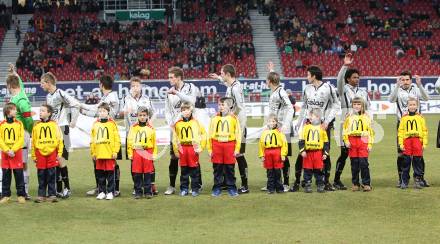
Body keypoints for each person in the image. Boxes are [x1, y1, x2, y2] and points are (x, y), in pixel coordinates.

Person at [291, 65, 341, 192]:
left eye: (308, 75)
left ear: (314, 76)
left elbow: (336, 105)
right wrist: (299, 121)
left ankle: (326, 182)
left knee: (325, 153)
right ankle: (297, 182)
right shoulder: (307, 89)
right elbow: (303, 106)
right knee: (302, 153)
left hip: (322, 125)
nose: (307, 77)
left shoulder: (329, 88)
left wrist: (327, 121)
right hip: (308, 124)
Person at [209, 64, 249, 194]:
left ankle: (245, 185)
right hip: (234, 124)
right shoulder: (233, 85)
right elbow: (228, 86)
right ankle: (227, 182)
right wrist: (218, 79)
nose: (221, 75)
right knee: (231, 154)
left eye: (221, 73)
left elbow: (240, 106)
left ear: (227, 74)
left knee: (238, 154)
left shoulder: (235, 88)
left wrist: (232, 115)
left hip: (239, 125)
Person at [40, 72, 81, 198]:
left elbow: (76, 104)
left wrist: (73, 120)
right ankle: (58, 189)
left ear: (48, 83)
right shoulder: (48, 97)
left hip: (63, 129)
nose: (41, 85)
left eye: (42, 83)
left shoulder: (60, 93)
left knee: (60, 159)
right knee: (55, 160)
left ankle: (67, 188)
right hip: (53, 130)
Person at [333, 53, 370, 190]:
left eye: (358, 77)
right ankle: (337, 179)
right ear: (348, 79)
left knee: (362, 155)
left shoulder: (364, 92)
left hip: (361, 129)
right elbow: (338, 81)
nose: (357, 79)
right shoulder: (343, 90)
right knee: (344, 154)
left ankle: (362, 181)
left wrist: (369, 120)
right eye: (354, 77)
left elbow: (369, 108)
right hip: (345, 126)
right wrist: (345, 65)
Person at [80, 75, 122, 197]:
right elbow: (96, 111)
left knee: (112, 163)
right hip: (102, 133)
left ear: (102, 85)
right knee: (100, 162)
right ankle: (101, 187)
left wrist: (81, 107)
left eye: (99, 84)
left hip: (108, 133)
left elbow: (95, 110)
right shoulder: (108, 97)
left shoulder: (110, 97)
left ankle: (113, 188)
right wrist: (83, 111)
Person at [389, 71, 429, 187]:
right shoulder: (398, 90)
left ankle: (420, 178)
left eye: (407, 80)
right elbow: (391, 100)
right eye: (403, 80)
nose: (405, 82)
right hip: (402, 125)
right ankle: (401, 179)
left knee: (419, 153)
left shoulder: (416, 89)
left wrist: (420, 84)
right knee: (401, 153)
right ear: (401, 80)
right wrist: (396, 85)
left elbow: (426, 98)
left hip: (417, 125)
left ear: (411, 80)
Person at [164, 67, 200, 195]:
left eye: (172, 77)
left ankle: (197, 185)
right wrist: (170, 122)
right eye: (169, 77)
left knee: (194, 155)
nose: (169, 79)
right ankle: (172, 185)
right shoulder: (168, 92)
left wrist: (177, 93)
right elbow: (167, 110)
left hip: (190, 127)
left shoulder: (190, 87)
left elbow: (192, 101)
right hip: (176, 129)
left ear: (179, 78)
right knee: (174, 156)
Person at [120, 77, 156, 195]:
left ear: (141, 86)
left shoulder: (146, 99)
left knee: (149, 162)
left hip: (145, 136)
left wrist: (150, 124)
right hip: (131, 135)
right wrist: (125, 112)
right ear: (130, 87)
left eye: (137, 85)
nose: (135, 88)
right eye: (133, 86)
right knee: (133, 163)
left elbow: (154, 113)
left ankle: (151, 186)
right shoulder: (126, 99)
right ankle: (137, 187)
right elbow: (118, 114)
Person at [265, 62, 294, 192]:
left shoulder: (281, 92)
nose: (265, 81)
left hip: (282, 129)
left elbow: (290, 108)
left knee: (284, 155)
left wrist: (285, 125)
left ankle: (286, 183)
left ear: (270, 81)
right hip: (274, 128)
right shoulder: (276, 90)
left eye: (267, 80)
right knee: (273, 155)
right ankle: (274, 182)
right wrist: (272, 69)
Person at [5, 64, 34, 200]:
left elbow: (28, 118)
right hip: (12, 134)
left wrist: (29, 130)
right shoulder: (20, 91)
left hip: (21, 134)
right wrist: (14, 72)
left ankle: (25, 190)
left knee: (21, 162)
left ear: (10, 86)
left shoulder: (21, 100)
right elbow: (19, 80)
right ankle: (16, 189)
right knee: (11, 162)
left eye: (7, 87)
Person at [207, 97, 241, 197]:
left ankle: (232, 188)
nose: (221, 107)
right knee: (217, 168)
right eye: (219, 105)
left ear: (229, 106)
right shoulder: (214, 118)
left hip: (229, 145)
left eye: (223, 105)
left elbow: (238, 134)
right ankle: (217, 187)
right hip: (216, 145)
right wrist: (209, 148)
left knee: (229, 168)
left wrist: (237, 149)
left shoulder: (234, 118)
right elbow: (209, 134)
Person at [172, 102, 206, 197]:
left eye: (187, 109)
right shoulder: (178, 124)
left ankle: (195, 189)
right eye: (183, 110)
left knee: (194, 170)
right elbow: (175, 138)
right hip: (182, 149)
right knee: (184, 171)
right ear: (181, 112)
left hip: (193, 148)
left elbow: (203, 134)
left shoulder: (196, 122)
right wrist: (176, 150)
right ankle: (184, 189)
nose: (185, 112)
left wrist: (201, 147)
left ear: (191, 110)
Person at [32, 104, 64, 203]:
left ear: (49, 113)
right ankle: (41, 195)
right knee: (41, 174)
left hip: (52, 153)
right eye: (40, 110)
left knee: (51, 174)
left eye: (43, 111)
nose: (40, 112)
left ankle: (52, 194)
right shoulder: (36, 126)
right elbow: (33, 141)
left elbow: (60, 139)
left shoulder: (54, 125)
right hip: (40, 153)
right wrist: (33, 155)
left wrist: (59, 153)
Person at [90, 103, 121, 200]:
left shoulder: (112, 124)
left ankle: (111, 192)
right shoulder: (95, 124)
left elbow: (117, 139)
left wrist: (116, 151)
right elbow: (92, 140)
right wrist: (93, 152)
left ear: (108, 112)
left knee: (110, 174)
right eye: (100, 111)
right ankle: (102, 191)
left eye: (104, 111)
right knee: (100, 174)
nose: (102, 113)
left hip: (109, 154)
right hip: (99, 154)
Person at [342, 97, 374, 192]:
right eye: (355, 104)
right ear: (352, 105)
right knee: (354, 164)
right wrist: (346, 141)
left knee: (364, 163)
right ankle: (355, 184)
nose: (356, 106)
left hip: (363, 140)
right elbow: (345, 131)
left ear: (362, 105)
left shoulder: (367, 117)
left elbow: (371, 132)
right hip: (352, 141)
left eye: (359, 104)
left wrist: (370, 144)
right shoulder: (349, 117)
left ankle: (366, 184)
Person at [127, 107, 157, 199]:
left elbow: (154, 142)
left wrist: (154, 154)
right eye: (140, 115)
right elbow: (130, 141)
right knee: (137, 173)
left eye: (144, 115)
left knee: (147, 173)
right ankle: (138, 192)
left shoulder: (151, 128)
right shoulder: (133, 128)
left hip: (148, 151)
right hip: (137, 152)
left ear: (148, 116)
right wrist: (130, 153)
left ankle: (148, 192)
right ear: (137, 116)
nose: (142, 117)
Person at [397, 97, 428, 189]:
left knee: (417, 161)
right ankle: (404, 181)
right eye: (410, 105)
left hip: (417, 141)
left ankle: (417, 180)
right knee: (406, 162)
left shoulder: (420, 118)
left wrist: (424, 143)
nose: (412, 106)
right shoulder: (404, 118)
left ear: (417, 106)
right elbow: (400, 132)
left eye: (414, 104)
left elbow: (424, 131)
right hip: (407, 141)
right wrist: (401, 144)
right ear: (407, 106)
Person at [298, 108, 329, 193]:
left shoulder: (322, 128)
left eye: (312, 115)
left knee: (318, 169)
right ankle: (307, 185)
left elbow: (326, 142)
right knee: (307, 170)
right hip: (308, 153)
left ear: (318, 117)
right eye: (310, 115)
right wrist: (302, 150)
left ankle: (320, 185)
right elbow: (301, 140)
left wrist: (325, 153)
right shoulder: (306, 127)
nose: (310, 117)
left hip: (318, 153)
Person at [0, 103, 25, 204]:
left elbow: (21, 138)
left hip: (16, 153)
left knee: (19, 175)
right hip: (6, 154)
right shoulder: (1, 124)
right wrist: (7, 150)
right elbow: (0, 139)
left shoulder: (19, 123)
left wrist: (13, 150)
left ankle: (21, 195)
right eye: (14, 110)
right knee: (6, 175)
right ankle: (6, 195)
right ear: (8, 111)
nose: (16, 111)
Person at [258, 114, 288, 194]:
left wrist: (283, 154)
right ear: (267, 122)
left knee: (277, 172)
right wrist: (262, 155)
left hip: (277, 153)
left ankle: (279, 188)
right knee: (270, 172)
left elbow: (284, 144)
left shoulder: (279, 132)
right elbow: (261, 144)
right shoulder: (264, 133)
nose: (271, 123)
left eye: (273, 121)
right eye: (270, 121)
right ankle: (270, 188)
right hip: (267, 153)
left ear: (276, 122)